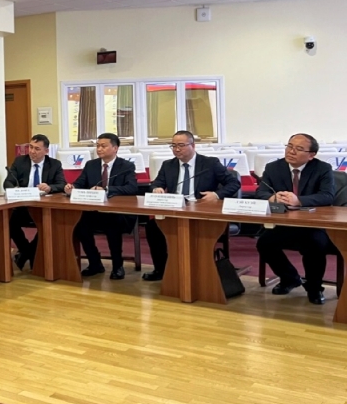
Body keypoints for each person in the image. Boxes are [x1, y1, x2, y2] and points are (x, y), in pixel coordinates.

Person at [142, 131, 241, 281]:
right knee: (153, 228)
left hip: (202, 213)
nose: (176, 149)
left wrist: (216, 195)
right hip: (175, 211)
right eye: (173, 145)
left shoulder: (210, 163)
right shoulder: (168, 165)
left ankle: (202, 272)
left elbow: (234, 183)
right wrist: (156, 188)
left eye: (181, 145)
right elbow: (156, 183)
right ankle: (161, 269)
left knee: (198, 232)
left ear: (193, 145)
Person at [256, 133, 335, 305]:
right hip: (285, 223)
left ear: (311, 155)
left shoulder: (322, 168)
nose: (291, 151)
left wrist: (299, 200)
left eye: (298, 149)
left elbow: (327, 196)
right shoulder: (273, 167)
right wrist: (272, 198)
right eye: (289, 146)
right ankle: (290, 278)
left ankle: (314, 288)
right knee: (264, 243)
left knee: (315, 244)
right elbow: (261, 192)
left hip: (313, 225)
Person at [64, 133, 138, 280]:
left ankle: (117, 266)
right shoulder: (91, 165)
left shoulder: (126, 166)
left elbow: (132, 188)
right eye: (97, 146)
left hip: (118, 212)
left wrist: (107, 190)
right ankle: (95, 262)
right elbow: (80, 183)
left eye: (103, 146)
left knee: (112, 224)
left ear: (115, 148)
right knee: (79, 224)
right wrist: (71, 187)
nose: (99, 149)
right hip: (95, 211)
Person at [4, 134, 65, 271]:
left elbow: (61, 184)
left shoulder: (54, 164)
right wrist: (14, 189)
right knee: (7, 221)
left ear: (46, 151)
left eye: (37, 149)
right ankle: (28, 251)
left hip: (43, 207)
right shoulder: (20, 161)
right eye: (30, 147)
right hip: (23, 207)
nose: (32, 151)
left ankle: (26, 253)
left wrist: (50, 187)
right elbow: (8, 182)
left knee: (49, 223)